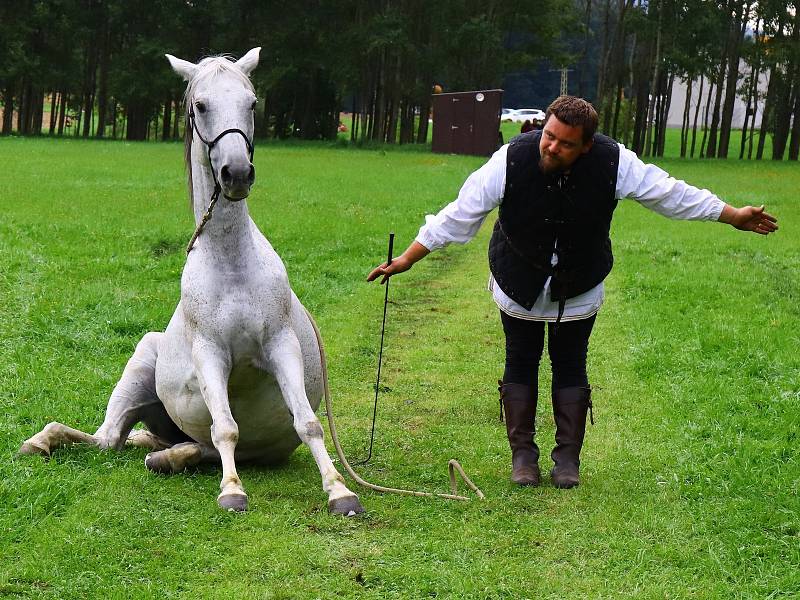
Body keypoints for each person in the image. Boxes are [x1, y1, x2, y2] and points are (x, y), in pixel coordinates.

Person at [367, 96, 778, 489]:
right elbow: (459, 214)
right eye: (550, 135)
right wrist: (408, 258)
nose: (552, 147)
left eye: (566, 143)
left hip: (580, 279)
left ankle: (567, 460)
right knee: (520, 358)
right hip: (518, 274)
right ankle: (523, 458)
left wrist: (731, 216)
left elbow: (670, 194)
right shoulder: (508, 161)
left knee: (570, 361)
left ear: (586, 146)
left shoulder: (615, 162)